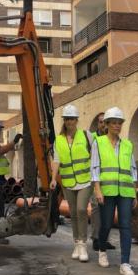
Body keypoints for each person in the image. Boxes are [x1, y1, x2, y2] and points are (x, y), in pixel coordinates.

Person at [92, 107, 137, 275]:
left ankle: (125, 263)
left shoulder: (127, 144)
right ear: (107, 124)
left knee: (126, 225)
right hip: (107, 190)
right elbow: (95, 167)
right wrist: (97, 189)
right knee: (106, 224)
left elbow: (132, 169)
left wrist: (134, 192)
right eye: (114, 123)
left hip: (125, 190)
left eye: (120, 123)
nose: (117, 126)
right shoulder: (99, 142)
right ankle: (102, 250)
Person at [50, 105, 93, 262]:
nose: (69, 121)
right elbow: (56, 160)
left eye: (72, 119)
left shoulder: (86, 135)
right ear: (64, 121)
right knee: (73, 213)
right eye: (67, 119)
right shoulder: (59, 140)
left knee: (82, 210)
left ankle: (83, 244)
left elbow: (94, 156)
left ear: (76, 120)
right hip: (68, 182)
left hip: (85, 180)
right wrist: (54, 178)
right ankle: (76, 243)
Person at [90, 111, 114, 252]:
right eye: (100, 122)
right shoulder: (92, 138)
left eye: (105, 121)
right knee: (96, 208)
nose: (103, 124)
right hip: (96, 178)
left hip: (110, 178)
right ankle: (96, 239)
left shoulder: (113, 138)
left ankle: (105, 239)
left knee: (109, 209)